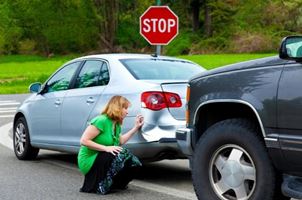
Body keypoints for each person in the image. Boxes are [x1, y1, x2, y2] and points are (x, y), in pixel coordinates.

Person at [77, 95, 144, 195]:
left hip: (103, 156)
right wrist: (105, 148)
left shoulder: (116, 124)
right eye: (125, 108)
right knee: (122, 153)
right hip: (89, 159)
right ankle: (100, 185)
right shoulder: (101, 120)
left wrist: (135, 128)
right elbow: (84, 141)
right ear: (117, 108)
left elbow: (120, 141)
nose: (127, 112)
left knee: (134, 162)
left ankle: (116, 184)